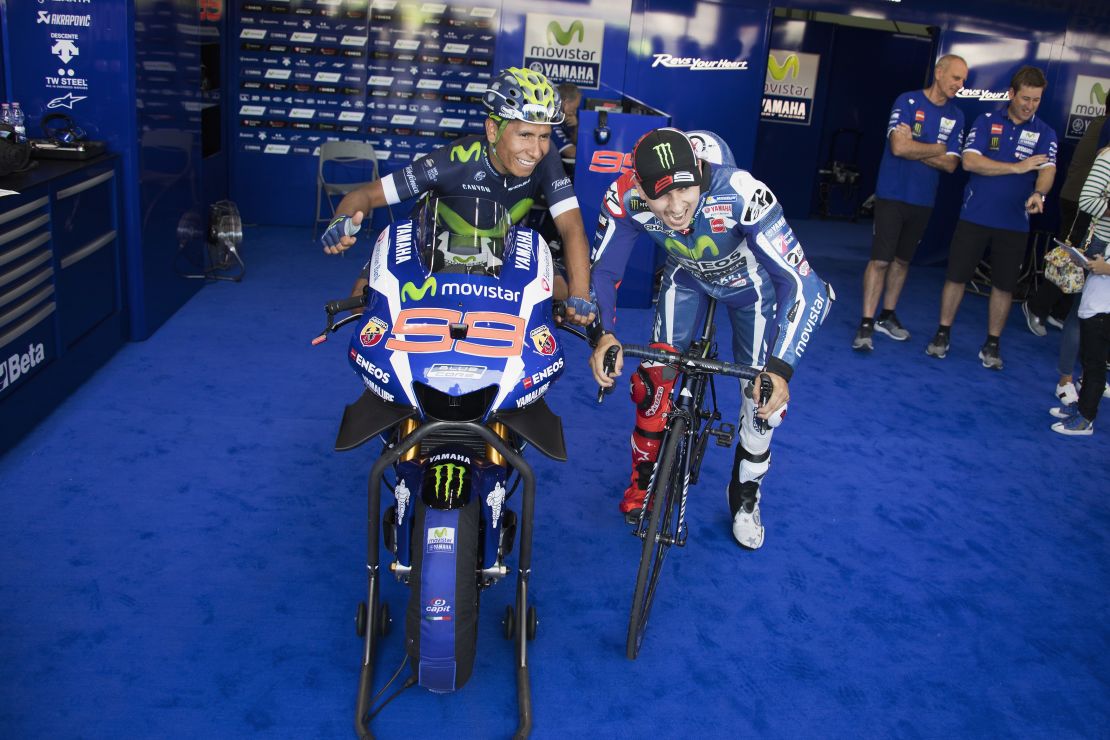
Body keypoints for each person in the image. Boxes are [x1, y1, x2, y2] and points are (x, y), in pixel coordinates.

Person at [588, 128, 833, 550]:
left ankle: (744, 496)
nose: (677, 206)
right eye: (662, 196)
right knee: (650, 384)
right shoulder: (623, 195)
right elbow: (604, 271)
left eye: (687, 189)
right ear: (640, 187)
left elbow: (808, 286)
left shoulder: (742, 191)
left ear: (701, 171)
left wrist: (779, 368)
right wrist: (602, 334)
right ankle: (644, 482)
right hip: (687, 277)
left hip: (752, 288)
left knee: (764, 403)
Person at [319, 67, 595, 324]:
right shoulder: (454, 160)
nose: (536, 151)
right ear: (492, 130)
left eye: (544, 136)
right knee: (362, 300)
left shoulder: (545, 163)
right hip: (428, 249)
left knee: (560, 297)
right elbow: (365, 195)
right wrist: (341, 219)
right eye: (525, 135)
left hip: (496, 248)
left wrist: (580, 294)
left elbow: (572, 227)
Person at [925, 66, 1058, 369]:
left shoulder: (1045, 132)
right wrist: (1017, 167)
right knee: (956, 277)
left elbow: (1047, 170)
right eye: (1025, 98)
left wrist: (1039, 194)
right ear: (1011, 93)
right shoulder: (986, 122)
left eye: (1036, 100)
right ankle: (942, 333)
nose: (1029, 105)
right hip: (975, 216)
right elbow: (970, 162)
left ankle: (992, 344)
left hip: (1014, 223)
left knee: (1004, 286)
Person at [852, 54, 968, 351]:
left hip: (923, 200)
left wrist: (918, 149)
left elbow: (952, 164)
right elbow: (898, 147)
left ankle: (887, 315)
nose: (960, 84)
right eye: (956, 77)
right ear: (939, 73)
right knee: (880, 260)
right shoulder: (907, 102)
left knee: (902, 261)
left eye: (963, 80)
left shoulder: (956, 115)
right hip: (892, 194)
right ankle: (866, 323)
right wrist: (937, 148)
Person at [1022, 115, 1109, 340]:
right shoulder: (1104, 127)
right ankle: (1037, 307)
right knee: (1070, 262)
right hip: (1083, 205)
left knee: (1077, 265)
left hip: (1080, 201)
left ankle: (1058, 312)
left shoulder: (1100, 123)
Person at [1050, 143, 1110, 435]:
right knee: (1088, 327)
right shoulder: (1107, 158)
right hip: (1103, 257)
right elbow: (1087, 200)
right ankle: (1079, 398)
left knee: (1096, 339)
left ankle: (1087, 409)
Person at [552, 82, 581, 162]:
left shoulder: (566, 120)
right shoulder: (550, 121)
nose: (574, 112)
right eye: (574, 108)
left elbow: (575, 142)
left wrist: (576, 126)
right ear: (566, 103)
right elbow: (571, 153)